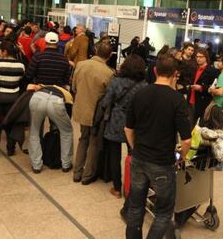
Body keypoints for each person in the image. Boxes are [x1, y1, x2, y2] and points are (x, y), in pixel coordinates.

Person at [125, 54, 191, 239]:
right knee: (163, 212)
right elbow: (186, 140)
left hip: (139, 158)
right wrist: (182, 157)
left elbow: (128, 128)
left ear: (155, 71)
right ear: (175, 74)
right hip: (162, 163)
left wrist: (135, 147)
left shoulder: (139, 93)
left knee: (136, 207)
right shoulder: (177, 100)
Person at [101, 55, 148, 198]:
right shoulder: (144, 85)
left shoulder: (116, 82)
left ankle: (117, 189)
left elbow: (105, 102)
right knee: (133, 155)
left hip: (116, 120)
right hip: (135, 123)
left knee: (114, 155)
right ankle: (132, 188)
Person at [27, 32, 73, 174]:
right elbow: (66, 82)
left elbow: (28, 75)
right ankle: (65, 164)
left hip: (38, 96)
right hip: (56, 99)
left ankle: (36, 165)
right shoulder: (64, 60)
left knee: (34, 131)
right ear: (58, 43)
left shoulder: (38, 57)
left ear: (45, 43)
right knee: (66, 131)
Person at [72, 42, 114, 185]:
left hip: (81, 108)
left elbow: (74, 86)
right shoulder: (109, 73)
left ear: (95, 51)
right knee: (94, 143)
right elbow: (108, 97)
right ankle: (87, 175)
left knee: (83, 138)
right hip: (97, 114)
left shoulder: (80, 65)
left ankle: (77, 172)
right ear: (109, 56)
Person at [0, 40, 25, 158]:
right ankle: (10, 149)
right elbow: (22, 79)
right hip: (14, 99)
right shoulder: (21, 66)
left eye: (0, 50)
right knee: (11, 124)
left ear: (4, 52)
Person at [188, 49, 219, 126]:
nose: (198, 58)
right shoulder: (195, 69)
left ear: (206, 58)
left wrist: (201, 88)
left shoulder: (212, 71)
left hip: (203, 102)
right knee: (190, 125)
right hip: (191, 100)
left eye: (200, 57)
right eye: (197, 56)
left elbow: (214, 88)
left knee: (200, 127)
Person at [205, 53, 223, 130]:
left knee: (214, 131)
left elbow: (220, 92)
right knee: (220, 130)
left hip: (218, 106)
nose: (217, 63)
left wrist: (211, 90)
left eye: (219, 61)